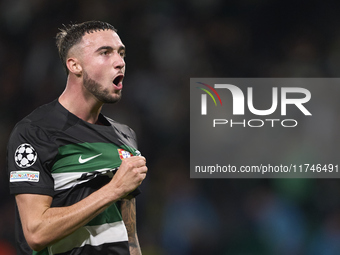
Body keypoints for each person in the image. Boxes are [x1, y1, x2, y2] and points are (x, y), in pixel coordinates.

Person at [6, 21, 148, 255]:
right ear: (74, 65)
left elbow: (129, 237)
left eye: (121, 53)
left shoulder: (125, 136)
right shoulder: (35, 132)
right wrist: (114, 189)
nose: (120, 61)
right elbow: (36, 232)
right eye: (105, 53)